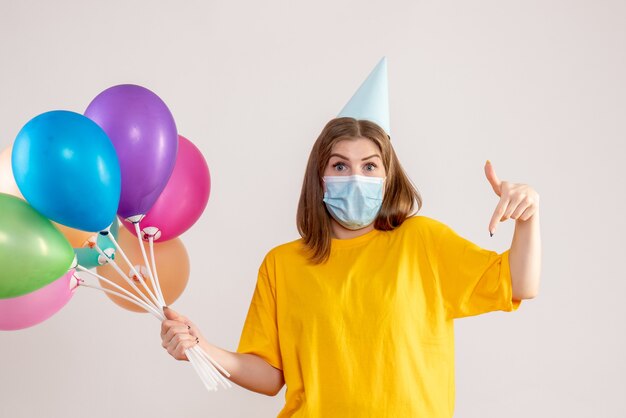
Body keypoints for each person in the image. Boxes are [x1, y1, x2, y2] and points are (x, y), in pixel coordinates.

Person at [160, 58, 541, 417]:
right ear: (320, 177)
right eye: (340, 165)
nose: (355, 177)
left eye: (370, 165)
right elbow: (270, 375)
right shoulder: (282, 264)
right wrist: (203, 349)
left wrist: (528, 215)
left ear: (387, 177)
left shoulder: (423, 242)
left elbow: (520, 283)